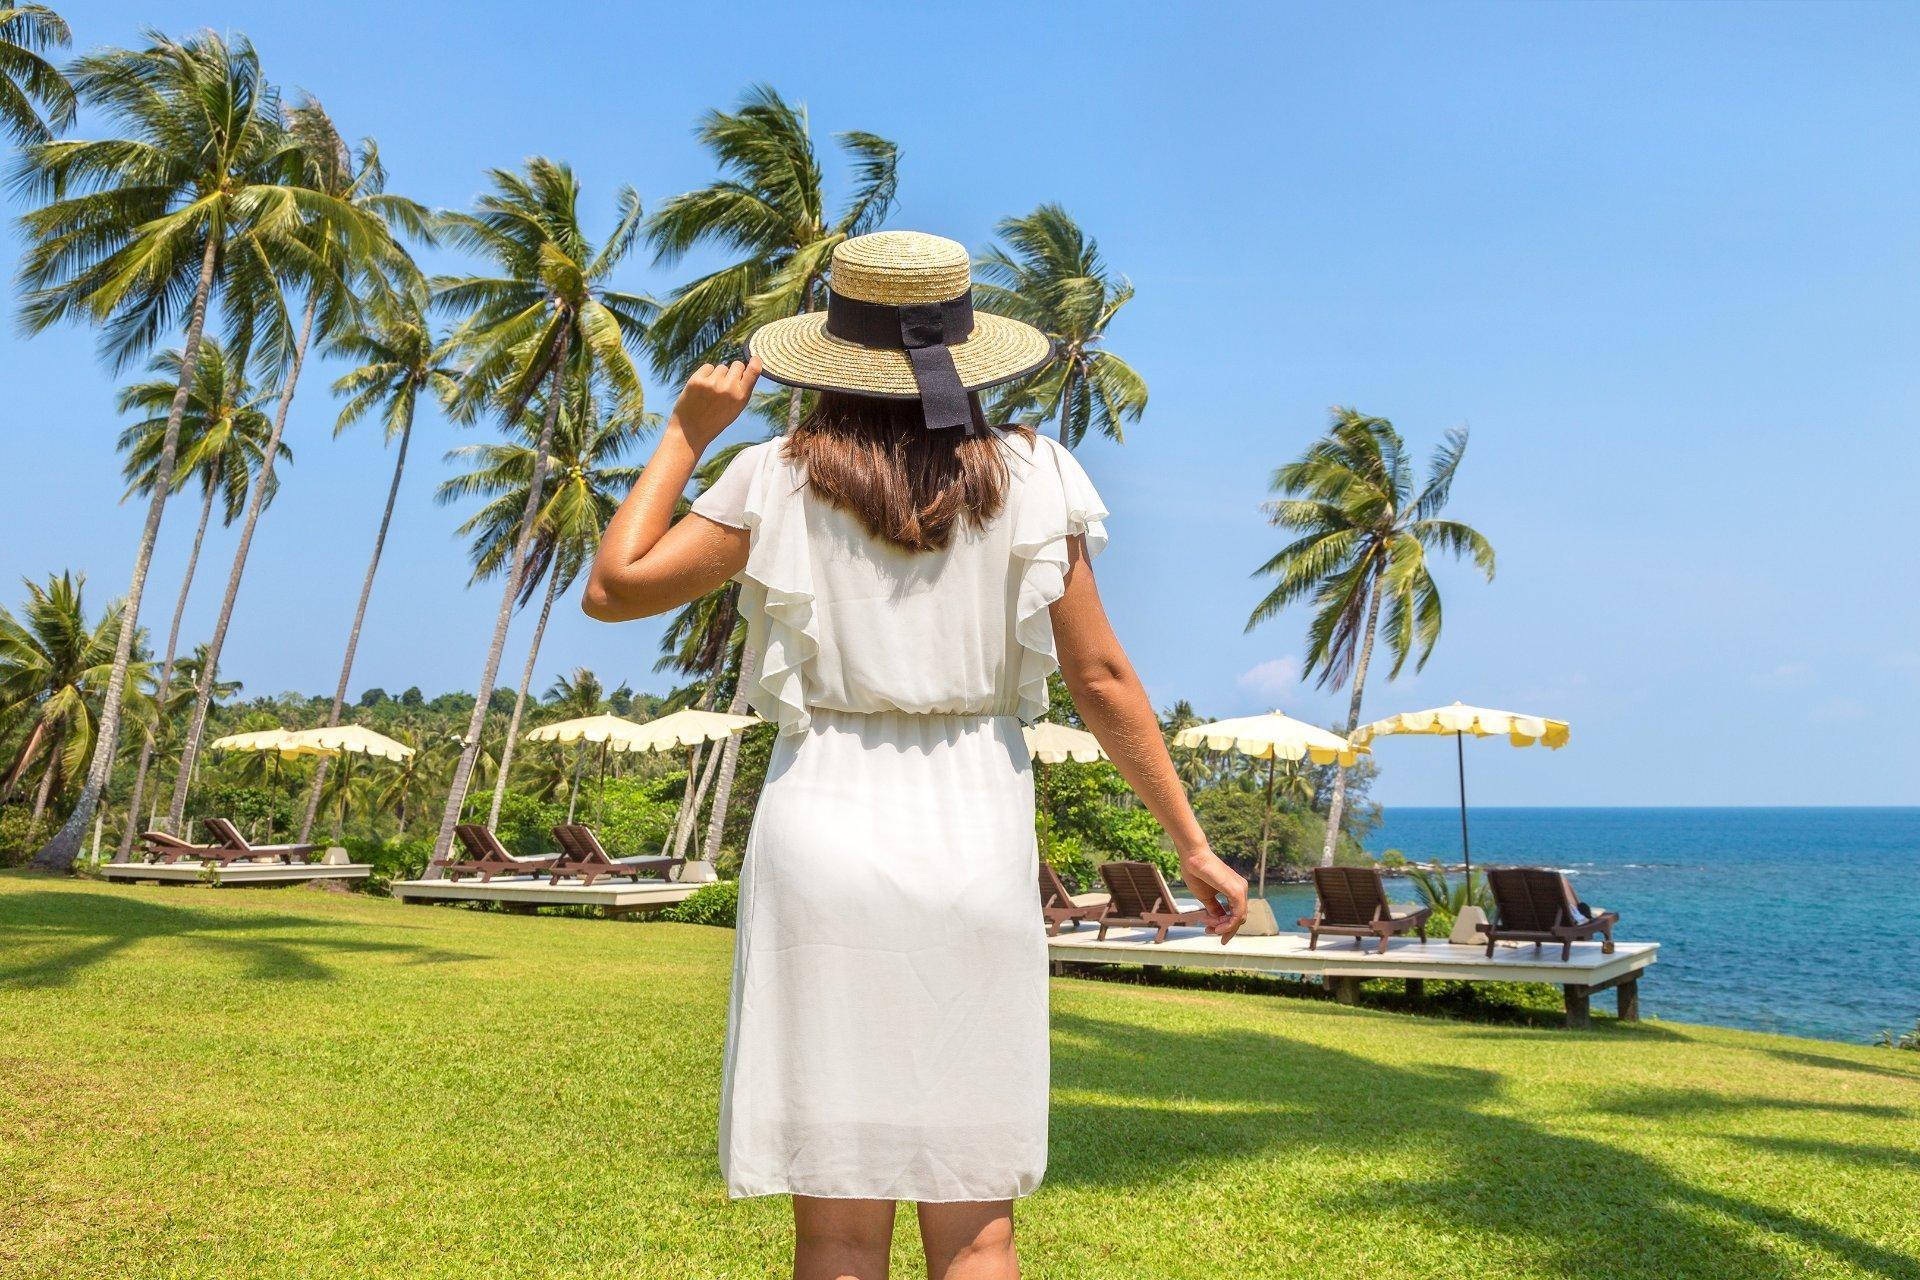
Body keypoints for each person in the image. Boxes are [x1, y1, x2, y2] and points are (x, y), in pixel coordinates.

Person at [584, 230, 1246, 1280]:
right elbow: (1104, 678)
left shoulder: (776, 477)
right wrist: (1194, 844)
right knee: (976, 1227)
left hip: (824, 834)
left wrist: (685, 429)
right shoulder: (1035, 474)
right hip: (974, 832)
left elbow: (614, 586)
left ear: (832, 351)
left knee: (839, 1232)